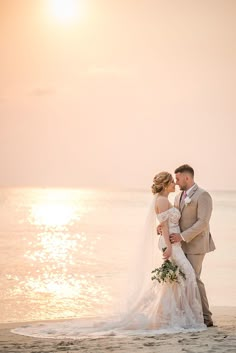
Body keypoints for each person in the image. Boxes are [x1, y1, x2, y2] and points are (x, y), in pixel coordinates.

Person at [12, 171, 206, 339]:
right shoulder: (163, 200)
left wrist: (167, 233)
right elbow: (164, 224)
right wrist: (169, 246)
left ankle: (176, 313)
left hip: (172, 242)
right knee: (187, 274)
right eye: (172, 181)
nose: (174, 184)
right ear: (165, 184)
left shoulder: (164, 200)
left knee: (177, 279)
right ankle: (189, 316)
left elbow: (164, 222)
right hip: (171, 244)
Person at [169, 164, 216, 327]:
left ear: (187, 178)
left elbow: (203, 222)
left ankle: (206, 317)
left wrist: (182, 236)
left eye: (178, 178)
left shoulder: (203, 195)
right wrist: (163, 227)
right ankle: (189, 313)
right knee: (184, 279)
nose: (176, 182)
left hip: (196, 244)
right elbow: (174, 218)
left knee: (194, 279)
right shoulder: (178, 197)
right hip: (180, 246)